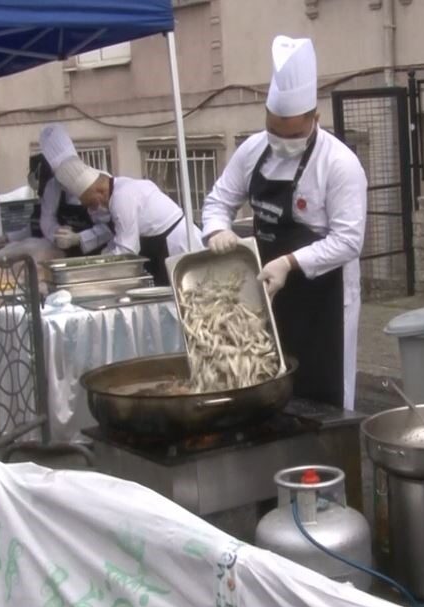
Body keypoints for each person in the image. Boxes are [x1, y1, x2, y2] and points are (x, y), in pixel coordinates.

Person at [201, 36, 367, 410]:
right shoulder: (253, 150)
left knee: (324, 397)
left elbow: (348, 241)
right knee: (271, 388)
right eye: (275, 130)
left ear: (315, 119)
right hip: (269, 294)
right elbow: (217, 201)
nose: (283, 141)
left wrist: (289, 262)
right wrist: (217, 230)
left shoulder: (339, 164)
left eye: (293, 134)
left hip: (324, 300)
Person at [52, 154, 203, 286]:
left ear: (99, 191)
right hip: (167, 247)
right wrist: (81, 240)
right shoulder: (118, 190)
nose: (92, 209)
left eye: (91, 203)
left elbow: (127, 250)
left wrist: (95, 267)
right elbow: (116, 232)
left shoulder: (122, 196)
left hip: (180, 247)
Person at [38, 124, 116, 256]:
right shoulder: (53, 186)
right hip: (68, 254)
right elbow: (46, 218)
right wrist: (57, 233)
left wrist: (80, 238)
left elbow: (111, 227)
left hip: (100, 251)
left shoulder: (100, 181)